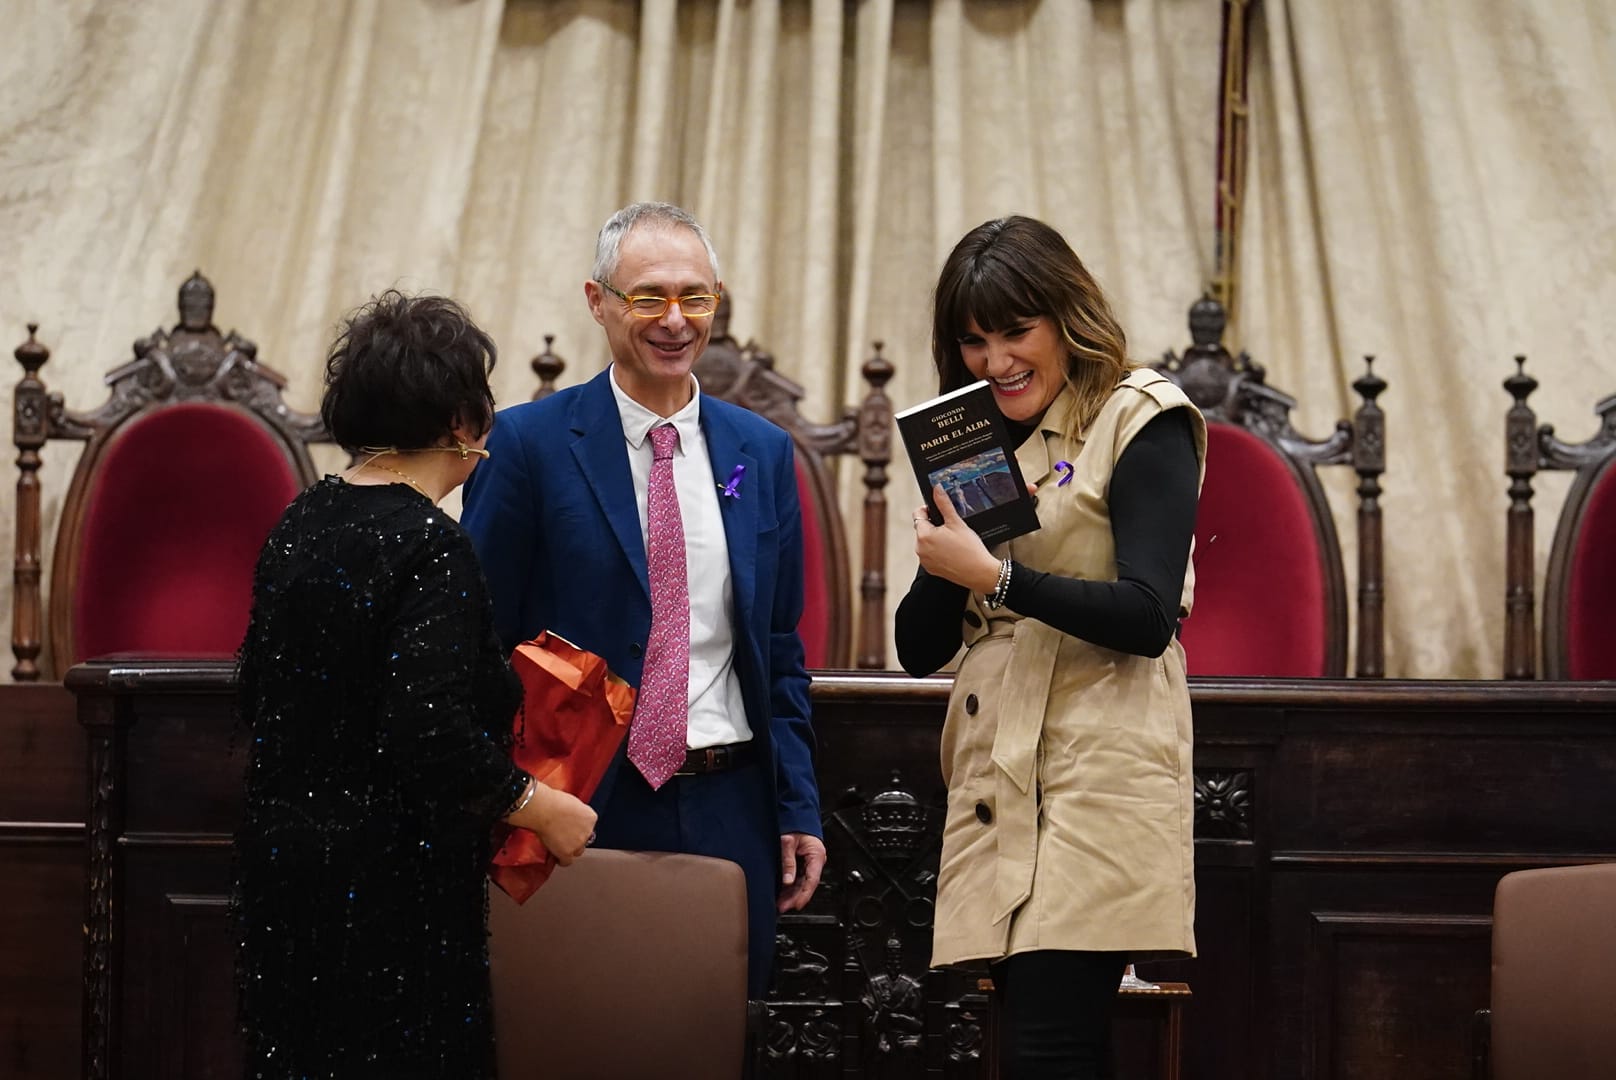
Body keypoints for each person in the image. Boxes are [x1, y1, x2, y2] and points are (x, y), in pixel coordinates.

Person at [461, 201, 826, 997]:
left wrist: (796, 804)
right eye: (647, 296)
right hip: (578, 799)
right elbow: (476, 643)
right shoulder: (527, 445)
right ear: (597, 302)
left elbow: (779, 650)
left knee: (713, 1039)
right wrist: (507, 801)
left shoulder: (761, 453)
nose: (674, 320)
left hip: (732, 800)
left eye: (695, 298)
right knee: (584, 1037)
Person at [233, 291, 598, 1079]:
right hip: (393, 896)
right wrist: (541, 806)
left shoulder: (297, 522)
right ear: (465, 421)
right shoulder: (433, 545)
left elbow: (254, 690)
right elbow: (426, 730)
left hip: (282, 882)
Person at [894, 215, 1205, 1079]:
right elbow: (918, 649)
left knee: (1050, 1044)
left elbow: (1148, 616)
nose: (996, 361)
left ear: (1067, 317)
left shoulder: (1141, 417)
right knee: (1042, 1038)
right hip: (999, 768)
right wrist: (948, 550)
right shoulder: (976, 436)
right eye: (973, 340)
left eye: (1015, 332)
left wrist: (995, 576)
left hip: (1098, 767)